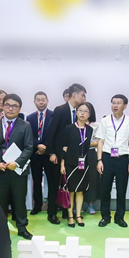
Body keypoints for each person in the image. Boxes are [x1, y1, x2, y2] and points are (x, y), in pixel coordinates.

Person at [0, 94, 34, 239]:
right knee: (0, 201)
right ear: (3, 106)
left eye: (14, 106)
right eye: (8, 105)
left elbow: (29, 147)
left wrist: (17, 162)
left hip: (18, 170)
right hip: (0, 170)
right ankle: (0, 228)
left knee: (19, 200)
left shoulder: (25, 125)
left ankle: (22, 228)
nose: (11, 109)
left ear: (19, 108)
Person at [45, 84, 88, 223]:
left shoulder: (77, 112)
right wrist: (51, 153)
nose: (84, 98)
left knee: (68, 185)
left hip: (71, 157)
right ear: (74, 95)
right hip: (57, 155)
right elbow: (51, 132)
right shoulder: (61, 110)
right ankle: (52, 213)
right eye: (82, 95)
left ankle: (66, 211)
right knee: (55, 185)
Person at [96, 94, 129, 228]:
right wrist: (99, 160)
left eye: (118, 103)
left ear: (124, 106)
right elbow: (100, 141)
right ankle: (105, 217)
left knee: (121, 190)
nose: (115, 105)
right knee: (105, 190)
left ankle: (119, 217)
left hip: (122, 159)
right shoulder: (105, 121)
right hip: (107, 159)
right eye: (113, 103)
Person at [60, 103, 93, 227]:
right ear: (76, 112)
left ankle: (78, 215)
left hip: (84, 164)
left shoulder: (90, 129)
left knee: (80, 191)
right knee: (71, 191)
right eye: (80, 110)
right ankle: (70, 216)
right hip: (70, 164)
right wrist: (62, 164)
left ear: (89, 114)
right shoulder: (68, 128)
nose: (82, 113)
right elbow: (64, 147)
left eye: (85, 111)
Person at [27, 91, 58, 218]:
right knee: (36, 181)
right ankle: (37, 205)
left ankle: (52, 208)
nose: (41, 102)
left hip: (49, 154)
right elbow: (29, 135)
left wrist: (46, 147)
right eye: (38, 100)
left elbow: (55, 134)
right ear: (34, 102)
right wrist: (38, 145)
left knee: (52, 182)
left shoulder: (53, 115)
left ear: (47, 101)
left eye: (43, 99)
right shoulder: (29, 118)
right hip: (35, 154)